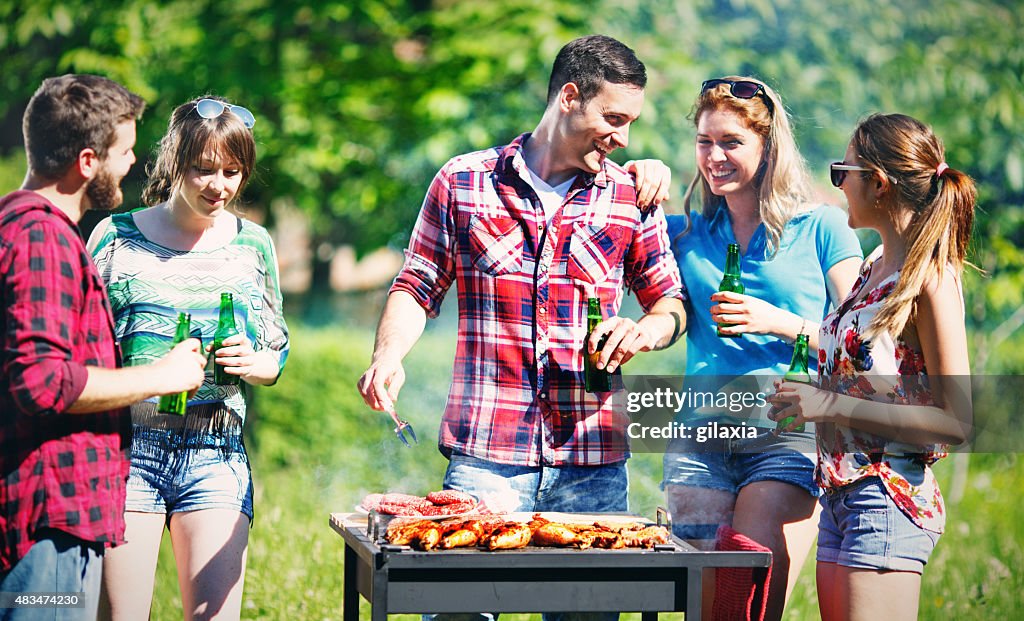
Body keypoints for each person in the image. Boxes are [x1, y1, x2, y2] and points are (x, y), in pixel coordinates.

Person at [357, 35, 685, 620]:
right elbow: (416, 285)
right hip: (485, 457)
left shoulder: (632, 195)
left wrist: (646, 330)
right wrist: (389, 355)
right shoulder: (463, 182)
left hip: (593, 459)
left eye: (631, 122)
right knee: (459, 613)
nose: (624, 138)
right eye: (613, 118)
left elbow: (671, 305)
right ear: (568, 97)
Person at [641, 76, 863, 621]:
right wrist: (638, 177)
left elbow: (865, 343)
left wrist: (780, 322)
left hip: (787, 434)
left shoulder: (823, 228)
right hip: (699, 437)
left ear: (768, 149)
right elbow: (608, 224)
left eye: (731, 142)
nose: (714, 156)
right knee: (701, 605)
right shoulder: (684, 232)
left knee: (746, 601)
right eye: (704, 141)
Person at [0, 75, 207, 621]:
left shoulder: (26, 231)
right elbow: (42, 381)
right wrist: (161, 377)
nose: (135, 163)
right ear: (88, 161)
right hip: (46, 525)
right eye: (125, 151)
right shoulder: (39, 238)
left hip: (56, 517)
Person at [86, 96, 290, 621]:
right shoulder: (116, 239)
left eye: (232, 172)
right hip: (129, 450)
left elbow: (276, 351)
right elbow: (84, 351)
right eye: (204, 170)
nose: (219, 186)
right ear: (176, 163)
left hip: (216, 453)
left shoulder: (254, 245)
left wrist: (255, 362)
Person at [769, 113, 974, 620]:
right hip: (841, 493)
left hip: (889, 496)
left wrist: (829, 403)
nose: (837, 185)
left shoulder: (929, 279)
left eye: (844, 172)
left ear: (878, 184)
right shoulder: (871, 267)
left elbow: (957, 420)